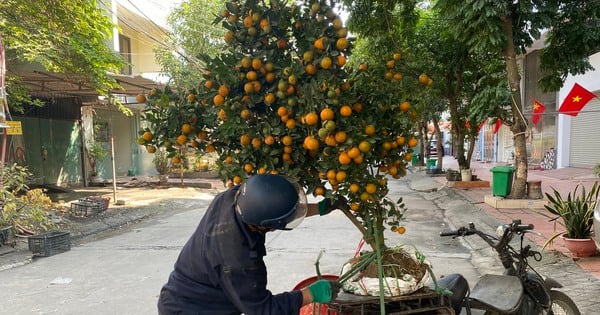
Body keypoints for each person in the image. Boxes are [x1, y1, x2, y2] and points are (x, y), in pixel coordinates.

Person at [157, 174, 346, 315]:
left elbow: (269, 204)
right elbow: (261, 309)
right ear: (266, 227)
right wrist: (309, 294)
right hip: (191, 310)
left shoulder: (233, 197)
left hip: (185, 294)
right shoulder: (239, 259)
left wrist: (320, 209)